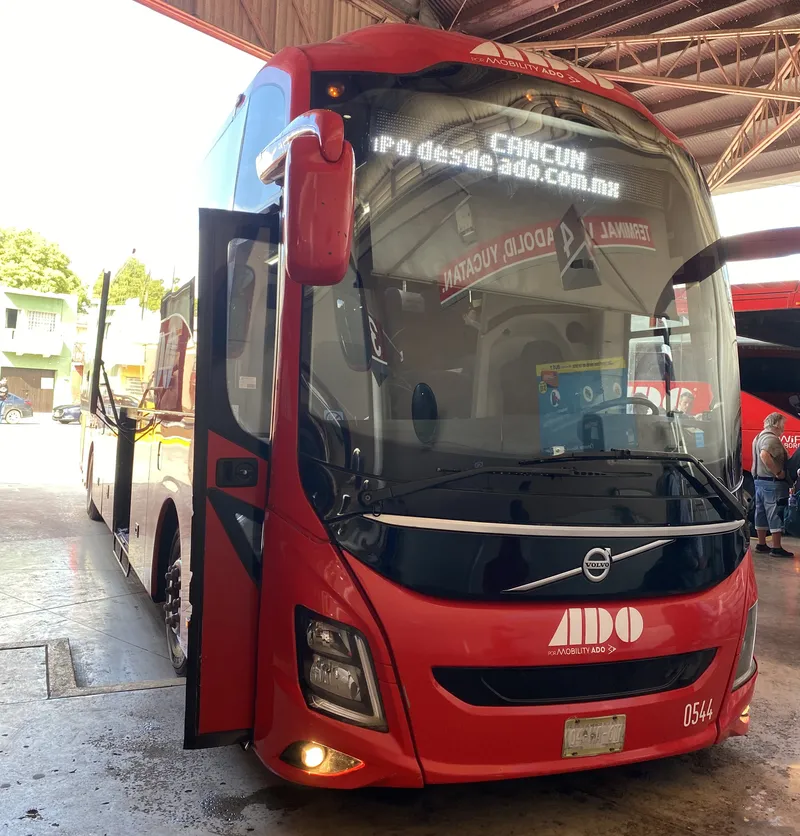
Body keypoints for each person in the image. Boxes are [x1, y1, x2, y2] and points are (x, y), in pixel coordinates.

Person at [753, 411, 794, 558]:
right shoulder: (771, 439)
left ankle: (761, 544)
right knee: (775, 512)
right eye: (783, 424)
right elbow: (765, 455)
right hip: (772, 483)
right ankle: (776, 547)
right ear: (776, 424)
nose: (783, 428)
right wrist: (779, 473)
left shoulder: (758, 437)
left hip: (759, 481)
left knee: (761, 513)